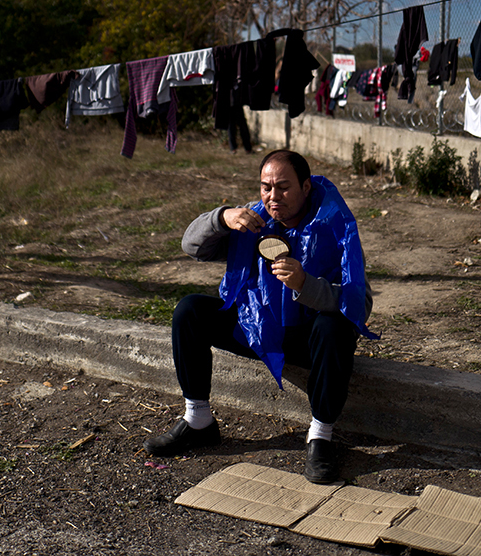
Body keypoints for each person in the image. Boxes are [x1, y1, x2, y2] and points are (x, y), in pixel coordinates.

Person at [143, 149, 375, 483]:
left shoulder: (334, 226)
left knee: (334, 326)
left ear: (306, 187)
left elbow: (360, 303)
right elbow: (191, 247)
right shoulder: (252, 222)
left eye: (283, 187)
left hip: (310, 339)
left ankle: (321, 437)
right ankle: (198, 421)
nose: (272, 196)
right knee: (189, 310)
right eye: (266, 187)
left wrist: (306, 285)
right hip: (259, 327)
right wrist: (222, 218)